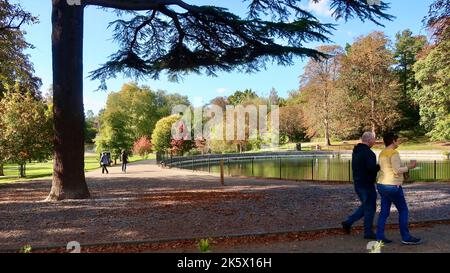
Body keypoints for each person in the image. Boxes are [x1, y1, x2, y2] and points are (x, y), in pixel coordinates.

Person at [376, 132, 421, 245]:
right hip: (392, 185)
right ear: (393, 141)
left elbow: (390, 168)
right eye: (397, 140)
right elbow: (396, 170)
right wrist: (410, 166)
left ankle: (380, 236)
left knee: (384, 212)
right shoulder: (394, 153)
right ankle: (406, 237)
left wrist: (404, 170)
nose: (399, 142)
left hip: (382, 184)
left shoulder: (382, 153)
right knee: (403, 210)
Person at [341, 132, 379, 239]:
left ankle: (348, 222)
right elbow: (371, 169)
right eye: (374, 139)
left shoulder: (356, 151)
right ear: (369, 140)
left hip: (358, 183)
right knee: (370, 208)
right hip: (367, 184)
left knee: (367, 206)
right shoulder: (369, 153)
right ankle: (368, 232)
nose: (375, 141)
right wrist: (379, 167)